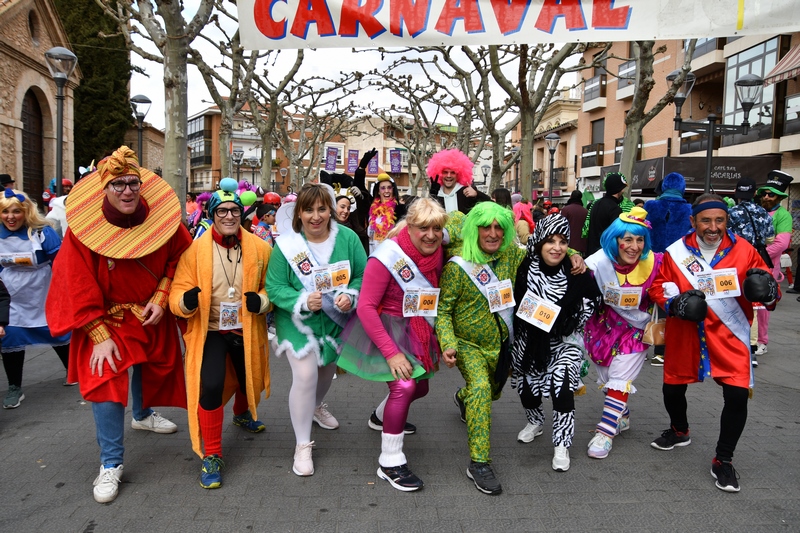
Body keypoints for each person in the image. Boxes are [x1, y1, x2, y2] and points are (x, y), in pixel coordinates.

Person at [45, 146, 192, 503]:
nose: (127, 191)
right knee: (106, 381)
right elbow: (74, 282)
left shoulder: (165, 221)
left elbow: (183, 259)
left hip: (150, 312)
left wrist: (162, 297)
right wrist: (98, 334)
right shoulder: (81, 232)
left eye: (132, 183)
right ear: (105, 188)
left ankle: (142, 414)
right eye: (118, 184)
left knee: (150, 365)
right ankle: (110, 463)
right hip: (105, 320)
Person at [648, 194, 779, 493]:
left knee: (737, 396)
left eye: (719, 220)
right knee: (672, 388)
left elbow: (769, 289)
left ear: (726, 221)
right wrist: (674, 303)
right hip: (687, 333)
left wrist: (768, 292)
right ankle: (680, 430)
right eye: (706, 220)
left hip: (729, 336)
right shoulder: (675, 252)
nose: (713, 227)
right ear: (693, 221)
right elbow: (658, 287)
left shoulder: (745, 251)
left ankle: (724, 459)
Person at [337, 198, 448, 492]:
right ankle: (390, 462)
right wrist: (391, 353)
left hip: (418, 325)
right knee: (405, 387)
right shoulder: (386, 257)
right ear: (409, 227)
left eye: (437, 229)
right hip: (386, 328)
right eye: (423, 228)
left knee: (421, 388)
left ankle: (380, 417)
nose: (431, 235)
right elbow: (365, 308)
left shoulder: (438, 249)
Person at [170, 178, 272, 489]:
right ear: (211, 214)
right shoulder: (194, 251)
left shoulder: (260, 248)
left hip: (246, 328)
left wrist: (262, 301)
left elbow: (274, 286)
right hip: (211, 330)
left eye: (234, 210)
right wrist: (185, 302)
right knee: (211, 385)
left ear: (242, 213)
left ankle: (241, 413)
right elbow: (177, 291)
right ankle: (212, 454)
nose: (229, 216)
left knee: (249, 379)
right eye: (222, 211)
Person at [265, 183, 367, 476]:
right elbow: (274, 286)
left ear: (331, 210)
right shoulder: (287, 245)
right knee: (306, 375)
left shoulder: (348, 238)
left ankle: (315, 406)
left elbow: (363, 275)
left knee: (325, 372)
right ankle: (302, 444)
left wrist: (351, 295)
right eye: (308, 210)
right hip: (297, 321)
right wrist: (301, 300)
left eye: (322, 209)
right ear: (298, 213)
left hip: (336, 319)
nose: (316, 216)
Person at [436, 202, 524, 495]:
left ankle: (463, 398)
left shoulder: (511, 254)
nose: (493, 233)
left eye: (499, 227)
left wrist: (573, 254)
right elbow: (443, 311)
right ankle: (479, 463)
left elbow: (547, 251)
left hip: (500, 345)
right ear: (475, 230)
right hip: (468, 344)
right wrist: (448, 343)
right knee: (481, 389)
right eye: (486, 227)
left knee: (491, 393)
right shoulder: (458, 266)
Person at [511, 215, 600, 472]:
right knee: (527, 391)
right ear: (540, 242)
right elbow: (519, 303)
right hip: (529, 339)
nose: (557, 248)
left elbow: (594, 298)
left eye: (563, 242)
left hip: (564, 340)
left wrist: (573, 317)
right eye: (551, 241)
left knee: (562, 387)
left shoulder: (575, 270)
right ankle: (535, 421)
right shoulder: (524, 267)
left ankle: (562, 444)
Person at [583, 207, 663, 459]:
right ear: (614, 239)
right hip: (601, 328)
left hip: (635, 331)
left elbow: (669, 284)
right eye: (627, 239)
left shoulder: (655, 263)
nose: (634, 247)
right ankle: (622, 415)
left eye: (640, 240)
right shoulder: (597, 263)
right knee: (608, 378)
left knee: (620, 377)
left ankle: (605, 432)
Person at [0, 189, 72, 408]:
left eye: (16, 211)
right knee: (10, 335)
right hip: (11, 295)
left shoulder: (42, 232)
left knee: (56, 331)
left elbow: (61, 263)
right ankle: (14, 387)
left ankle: (72, 370)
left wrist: (64, 292)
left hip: (43, 289)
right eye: (5, 212)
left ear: (26, 212)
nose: (10, 217)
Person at [644, 172, 692, 366]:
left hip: (651, 261)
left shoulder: (651, 206)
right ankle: (665, 349)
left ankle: (643, 344)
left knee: (648, 301)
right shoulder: (688, 209)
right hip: (678, 263)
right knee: (671, 301)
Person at [727, 177, 775, 367]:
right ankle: (752, 349)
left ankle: (733, 344)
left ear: (736, 192)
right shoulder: (763, 212)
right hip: (757, 261)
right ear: (755, 193)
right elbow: (770, 239)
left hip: (735, 261)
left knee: (733, 301)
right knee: (753, 304)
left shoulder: (731, 213)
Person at [754, 170, 793, 356]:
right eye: (764, 193)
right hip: (749, 262)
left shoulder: (784, 215)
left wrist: (756, 254)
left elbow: (781, 244)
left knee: (762, 305)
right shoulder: (757, 210)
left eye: (771, 194)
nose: (766, 197)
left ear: (779, 197)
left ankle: (762, 341)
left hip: (768, 266)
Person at [427, 148, 490, 214]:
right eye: (445, 172)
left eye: (453, 172)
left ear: (458, 174)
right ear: (440, 174)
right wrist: (432, 197)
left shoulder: (466, 192)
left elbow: (492, 206)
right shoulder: (437, 193)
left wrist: (477, 194)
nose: (449, 176)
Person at [587, 172, 628, 255]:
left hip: (592, 252)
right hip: (606, 253)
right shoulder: (614, 209)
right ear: (618, 189)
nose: (623, 191)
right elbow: (616, 234)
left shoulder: (596, 204)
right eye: (622, 188)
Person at [367, 173, 406, 252]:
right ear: (378, 191)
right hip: (373, 254)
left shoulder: (400, 209)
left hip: (391, 254)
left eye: (389, 188)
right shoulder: (372, 209)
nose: (387, 191)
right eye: (383, 188)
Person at [560, 190, 588, 255]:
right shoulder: (586, 211)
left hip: (568, 245)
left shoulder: (565, 210)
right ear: (581, 198)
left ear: (571, 197)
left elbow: (561, 227)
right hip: (582, 245)